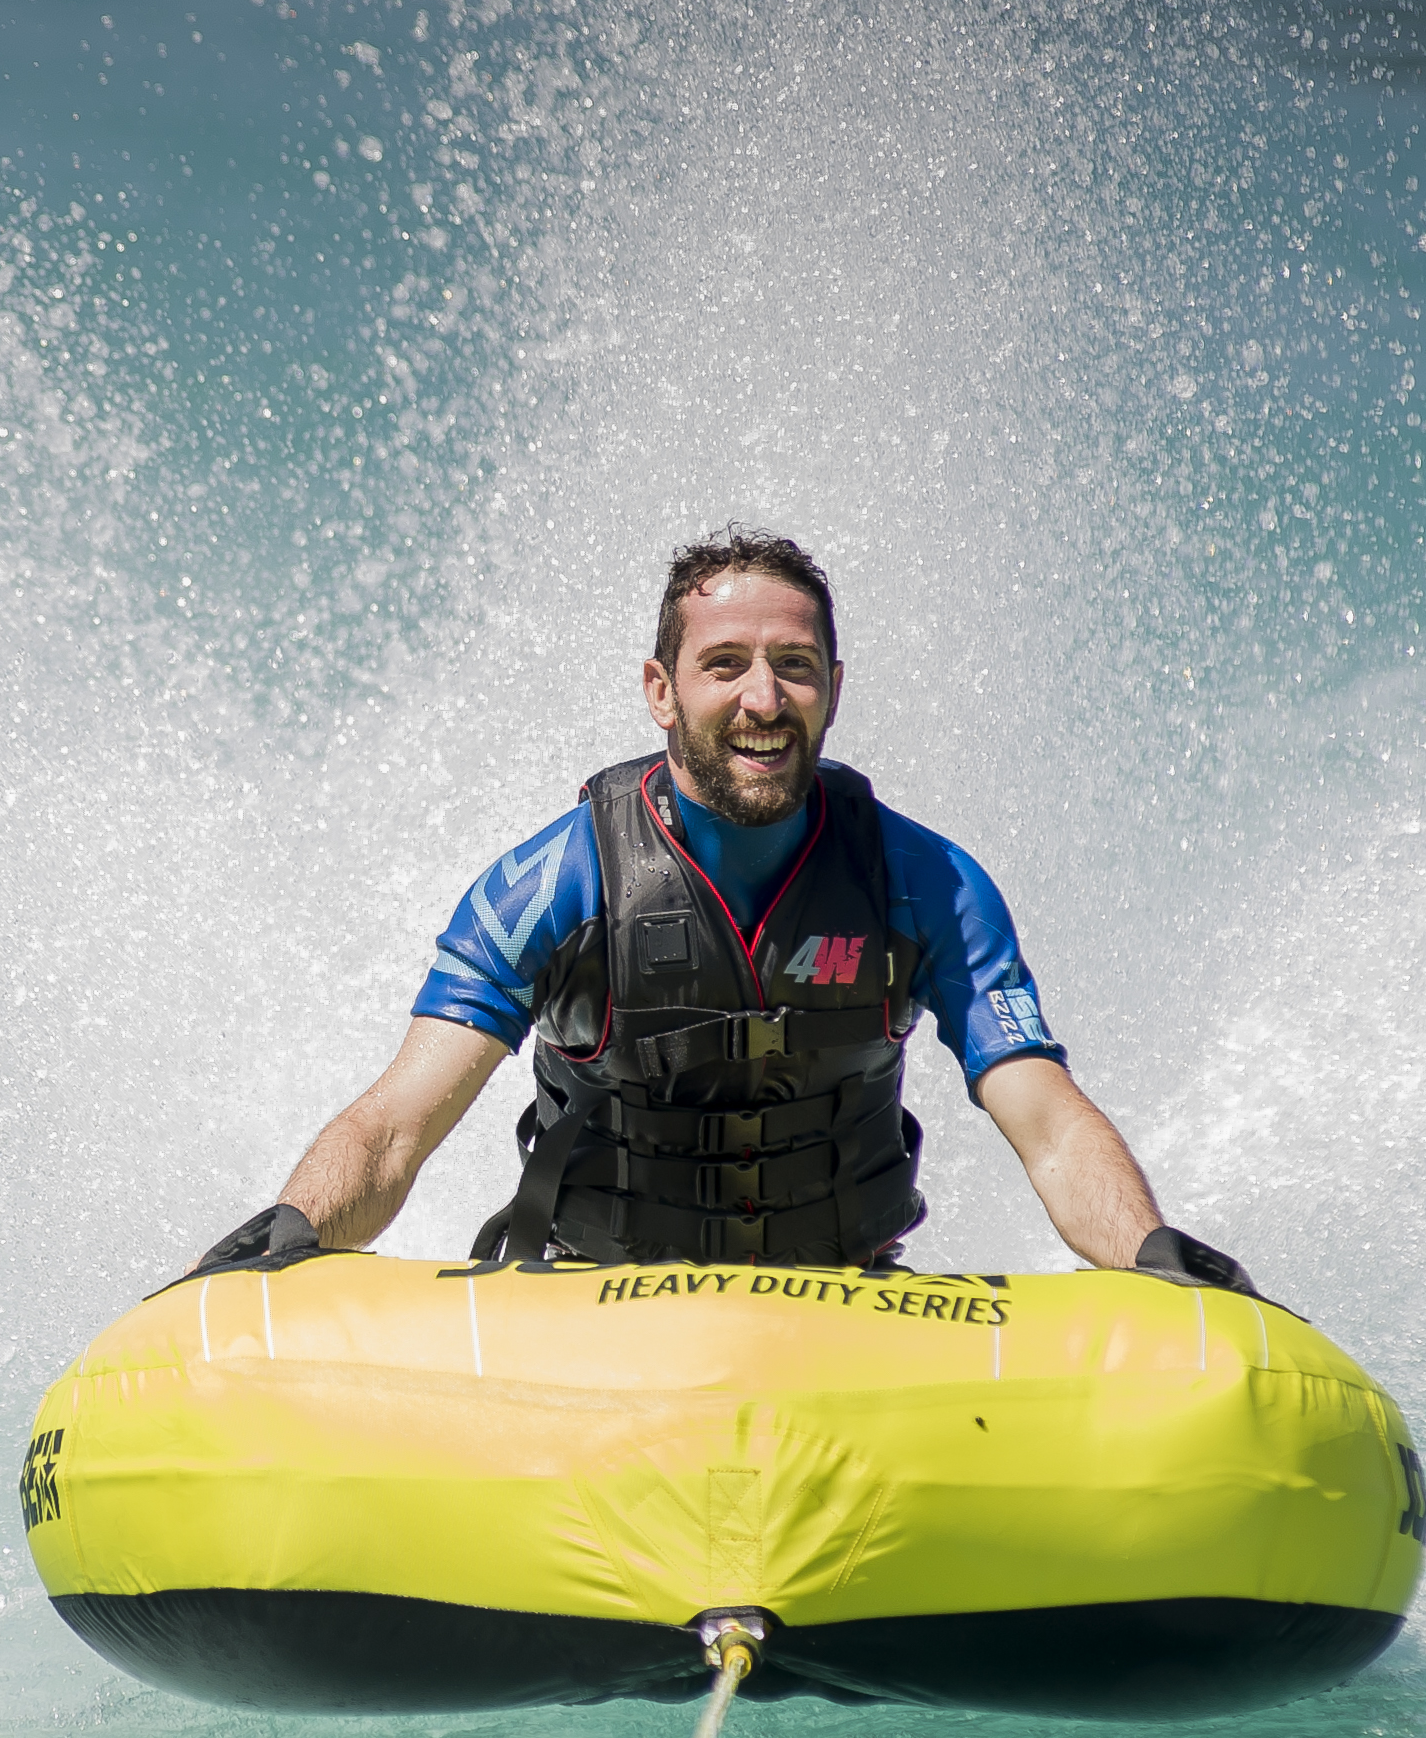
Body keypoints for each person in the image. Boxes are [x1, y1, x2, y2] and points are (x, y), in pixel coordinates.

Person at [188, 530, 1256, 1294]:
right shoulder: (553, 888)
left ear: (833, 684)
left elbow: (1049, 1122)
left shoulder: (925, 883)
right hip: (595, 1307)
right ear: (661, 690)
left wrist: (1151, 1252)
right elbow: (393, 1127)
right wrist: (292, 1229)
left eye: (793, 667)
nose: (762, 699)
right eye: (724, 666)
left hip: (845, 1305)